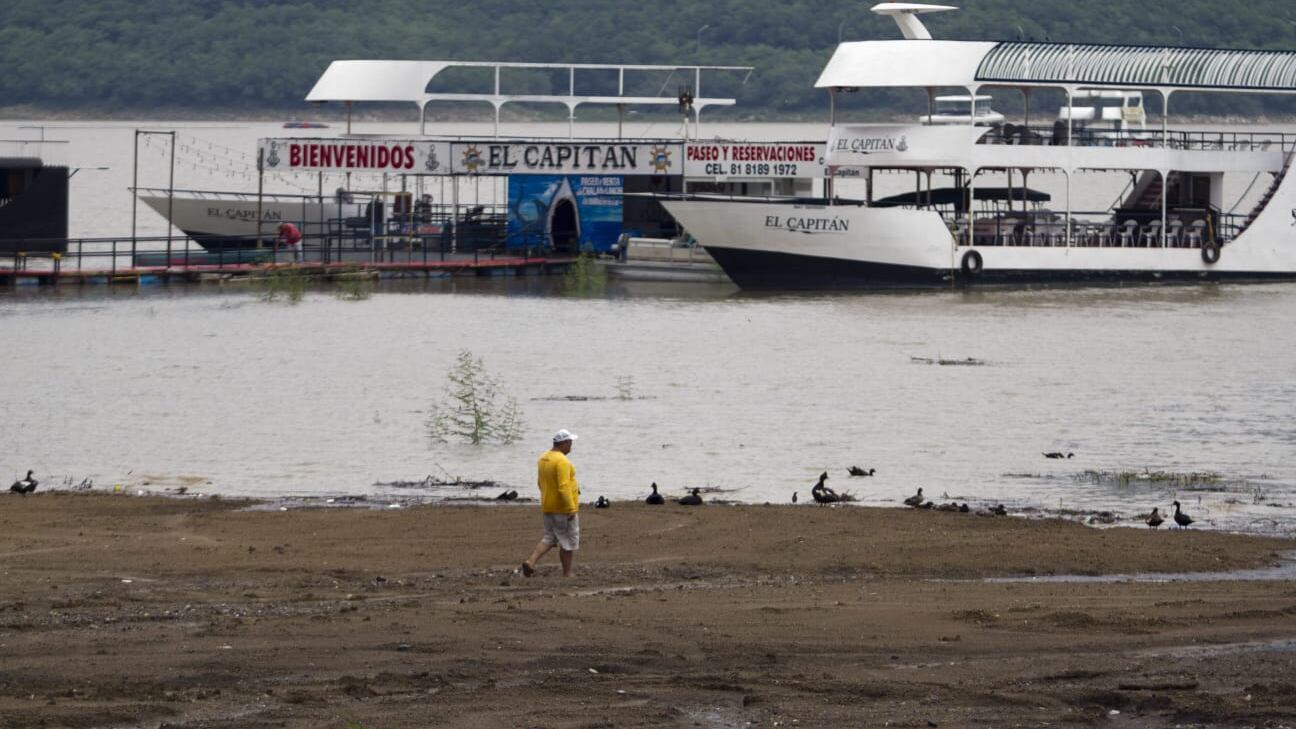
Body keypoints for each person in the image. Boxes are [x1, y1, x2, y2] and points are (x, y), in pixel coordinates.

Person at [521, 429, 581, 578]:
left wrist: (546, 497)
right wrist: (571, 508)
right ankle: (567, 572)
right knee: (567, 541)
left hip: (548, 505)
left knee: (550, 537)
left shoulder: (543, 458)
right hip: (562, 508)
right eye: (570, 443)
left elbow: (540, 482)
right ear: (564, 443)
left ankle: (530, 561)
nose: (571, 446)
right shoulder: (562, 461)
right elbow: (563, 486)